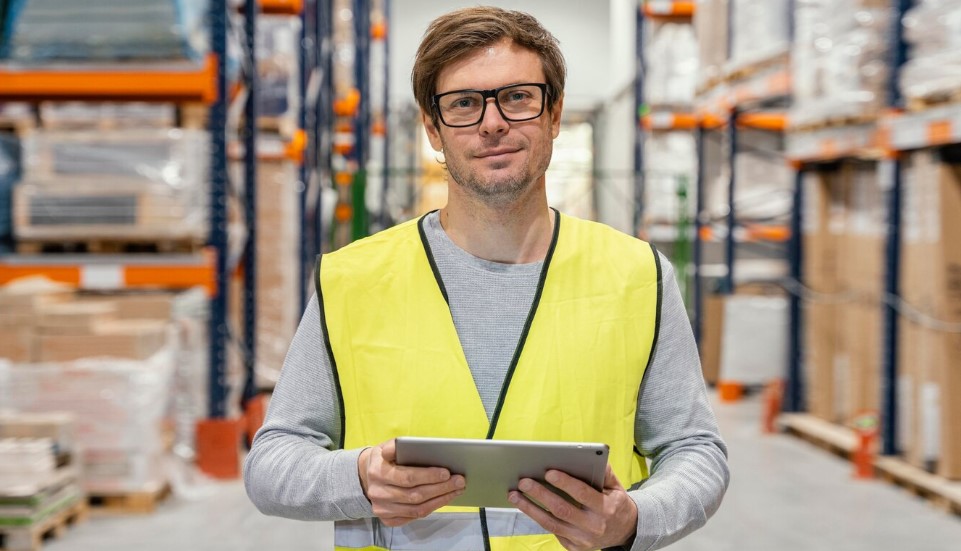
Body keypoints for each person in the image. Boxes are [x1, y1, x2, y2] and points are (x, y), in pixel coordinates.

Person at [245, 6, 729, 551]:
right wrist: (358, 478)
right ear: (433, 128)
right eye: (464, 104)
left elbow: (696, 452)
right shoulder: (353, 279)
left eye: (518, 97)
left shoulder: (638, 276)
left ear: (554, 114)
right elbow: (271, 462)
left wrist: (635, 518)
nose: (492, 122)